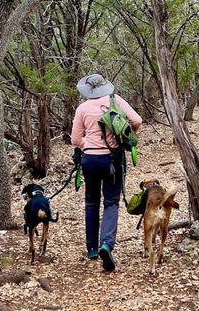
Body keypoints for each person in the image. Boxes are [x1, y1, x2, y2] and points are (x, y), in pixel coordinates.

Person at [71, 73, 142, 271]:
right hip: (113, 158)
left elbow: (76, 139)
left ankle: (92, 248)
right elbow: (137, 120)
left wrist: (90, 145)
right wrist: (124, 133)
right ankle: (107, 244)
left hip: (90, 160)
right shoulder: (115, 100)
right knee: (111, 202)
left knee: (91, 202)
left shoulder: (82, 108)